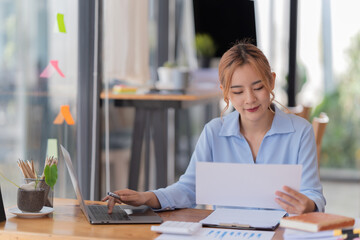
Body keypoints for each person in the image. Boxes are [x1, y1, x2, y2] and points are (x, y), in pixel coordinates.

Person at [102, 42, 326, 214]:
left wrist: (308, 204)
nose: (250, 99)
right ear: (225, 92)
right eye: (237, 92)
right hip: (227, 232)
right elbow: (189, 189)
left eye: (258, 87)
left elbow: (313, 194)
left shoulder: (300, 132)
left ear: (272, 81)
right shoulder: (213, 132)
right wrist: (147, 197)